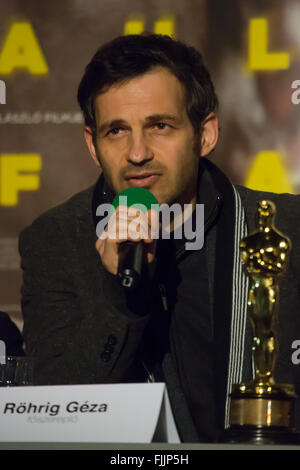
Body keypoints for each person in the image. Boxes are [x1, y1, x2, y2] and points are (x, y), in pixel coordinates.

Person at [19, 33, 300, 443]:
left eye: (160, 126)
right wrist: (121, 298)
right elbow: (57, 410)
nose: (137, 153)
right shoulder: (57, 239)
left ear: (205, 134)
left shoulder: (288, 228)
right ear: (92, 146)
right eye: (116, 131)